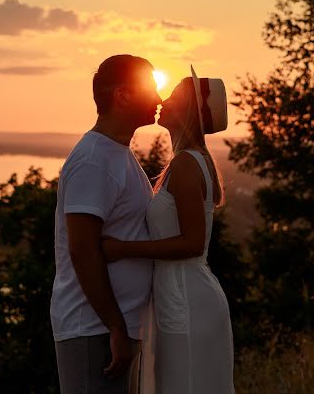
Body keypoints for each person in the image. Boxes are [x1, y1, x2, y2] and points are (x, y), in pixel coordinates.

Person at [101, 66, 235, 393]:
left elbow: (191, 243)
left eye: (174, 95)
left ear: (189, 110)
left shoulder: (188, 163)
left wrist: (122, 248)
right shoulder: (188, 161)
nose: (164, 99)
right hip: (179, 294)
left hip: (186, 298)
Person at [51, 54, 162, 394]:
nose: (158, 98)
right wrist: (114, 326)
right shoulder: (94, 159)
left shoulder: (118, 154)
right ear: (122, 95)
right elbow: (82, 249)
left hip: (116, 327)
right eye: (150, 88)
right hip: (93, 328)